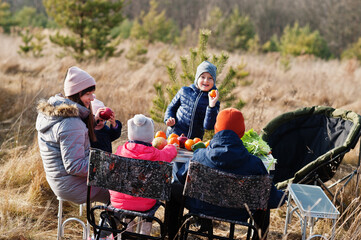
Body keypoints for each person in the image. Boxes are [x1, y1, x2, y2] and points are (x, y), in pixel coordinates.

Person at [168, 108, 286, 240]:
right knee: (263, 200)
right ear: (241, 132)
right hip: (239, 212)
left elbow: (181, 177)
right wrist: (283, 194)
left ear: (216, 129)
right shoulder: (255, 164)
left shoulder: (199, 156)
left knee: (173, 189)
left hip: (201, 207)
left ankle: (172, 235)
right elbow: (274, 200)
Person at [36, 66, 109, 205]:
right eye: (88, 94)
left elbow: (68, 136)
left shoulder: (53, 114)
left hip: (58, 180)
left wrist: (93, 122)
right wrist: (105, 165)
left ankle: (111, 222)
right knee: (121, 193)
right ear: (76, 94)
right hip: (73, 185)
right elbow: (75, 166)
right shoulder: (71, 123)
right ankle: (106, 226)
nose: (92, 98)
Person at [109, 114, 178, 235]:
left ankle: (127, 233)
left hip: (119, 202)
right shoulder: (156, 154)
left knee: (129, 197)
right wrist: (172, 146)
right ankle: (144, 234)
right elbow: (169, 154)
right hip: (145, 204)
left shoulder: (121, 150)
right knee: (146, 199)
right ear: (150, 135)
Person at [164, 60, 220, 140]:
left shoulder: (214, 100)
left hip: (193, 142)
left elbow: (209, 126)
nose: (206, 81)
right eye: (202, 77)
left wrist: (211, 106)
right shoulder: (184, 91)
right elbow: (171, 108)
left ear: (214, 81)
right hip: (174, 136)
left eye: (210, 78)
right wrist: (169, 119)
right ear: (197, 78)